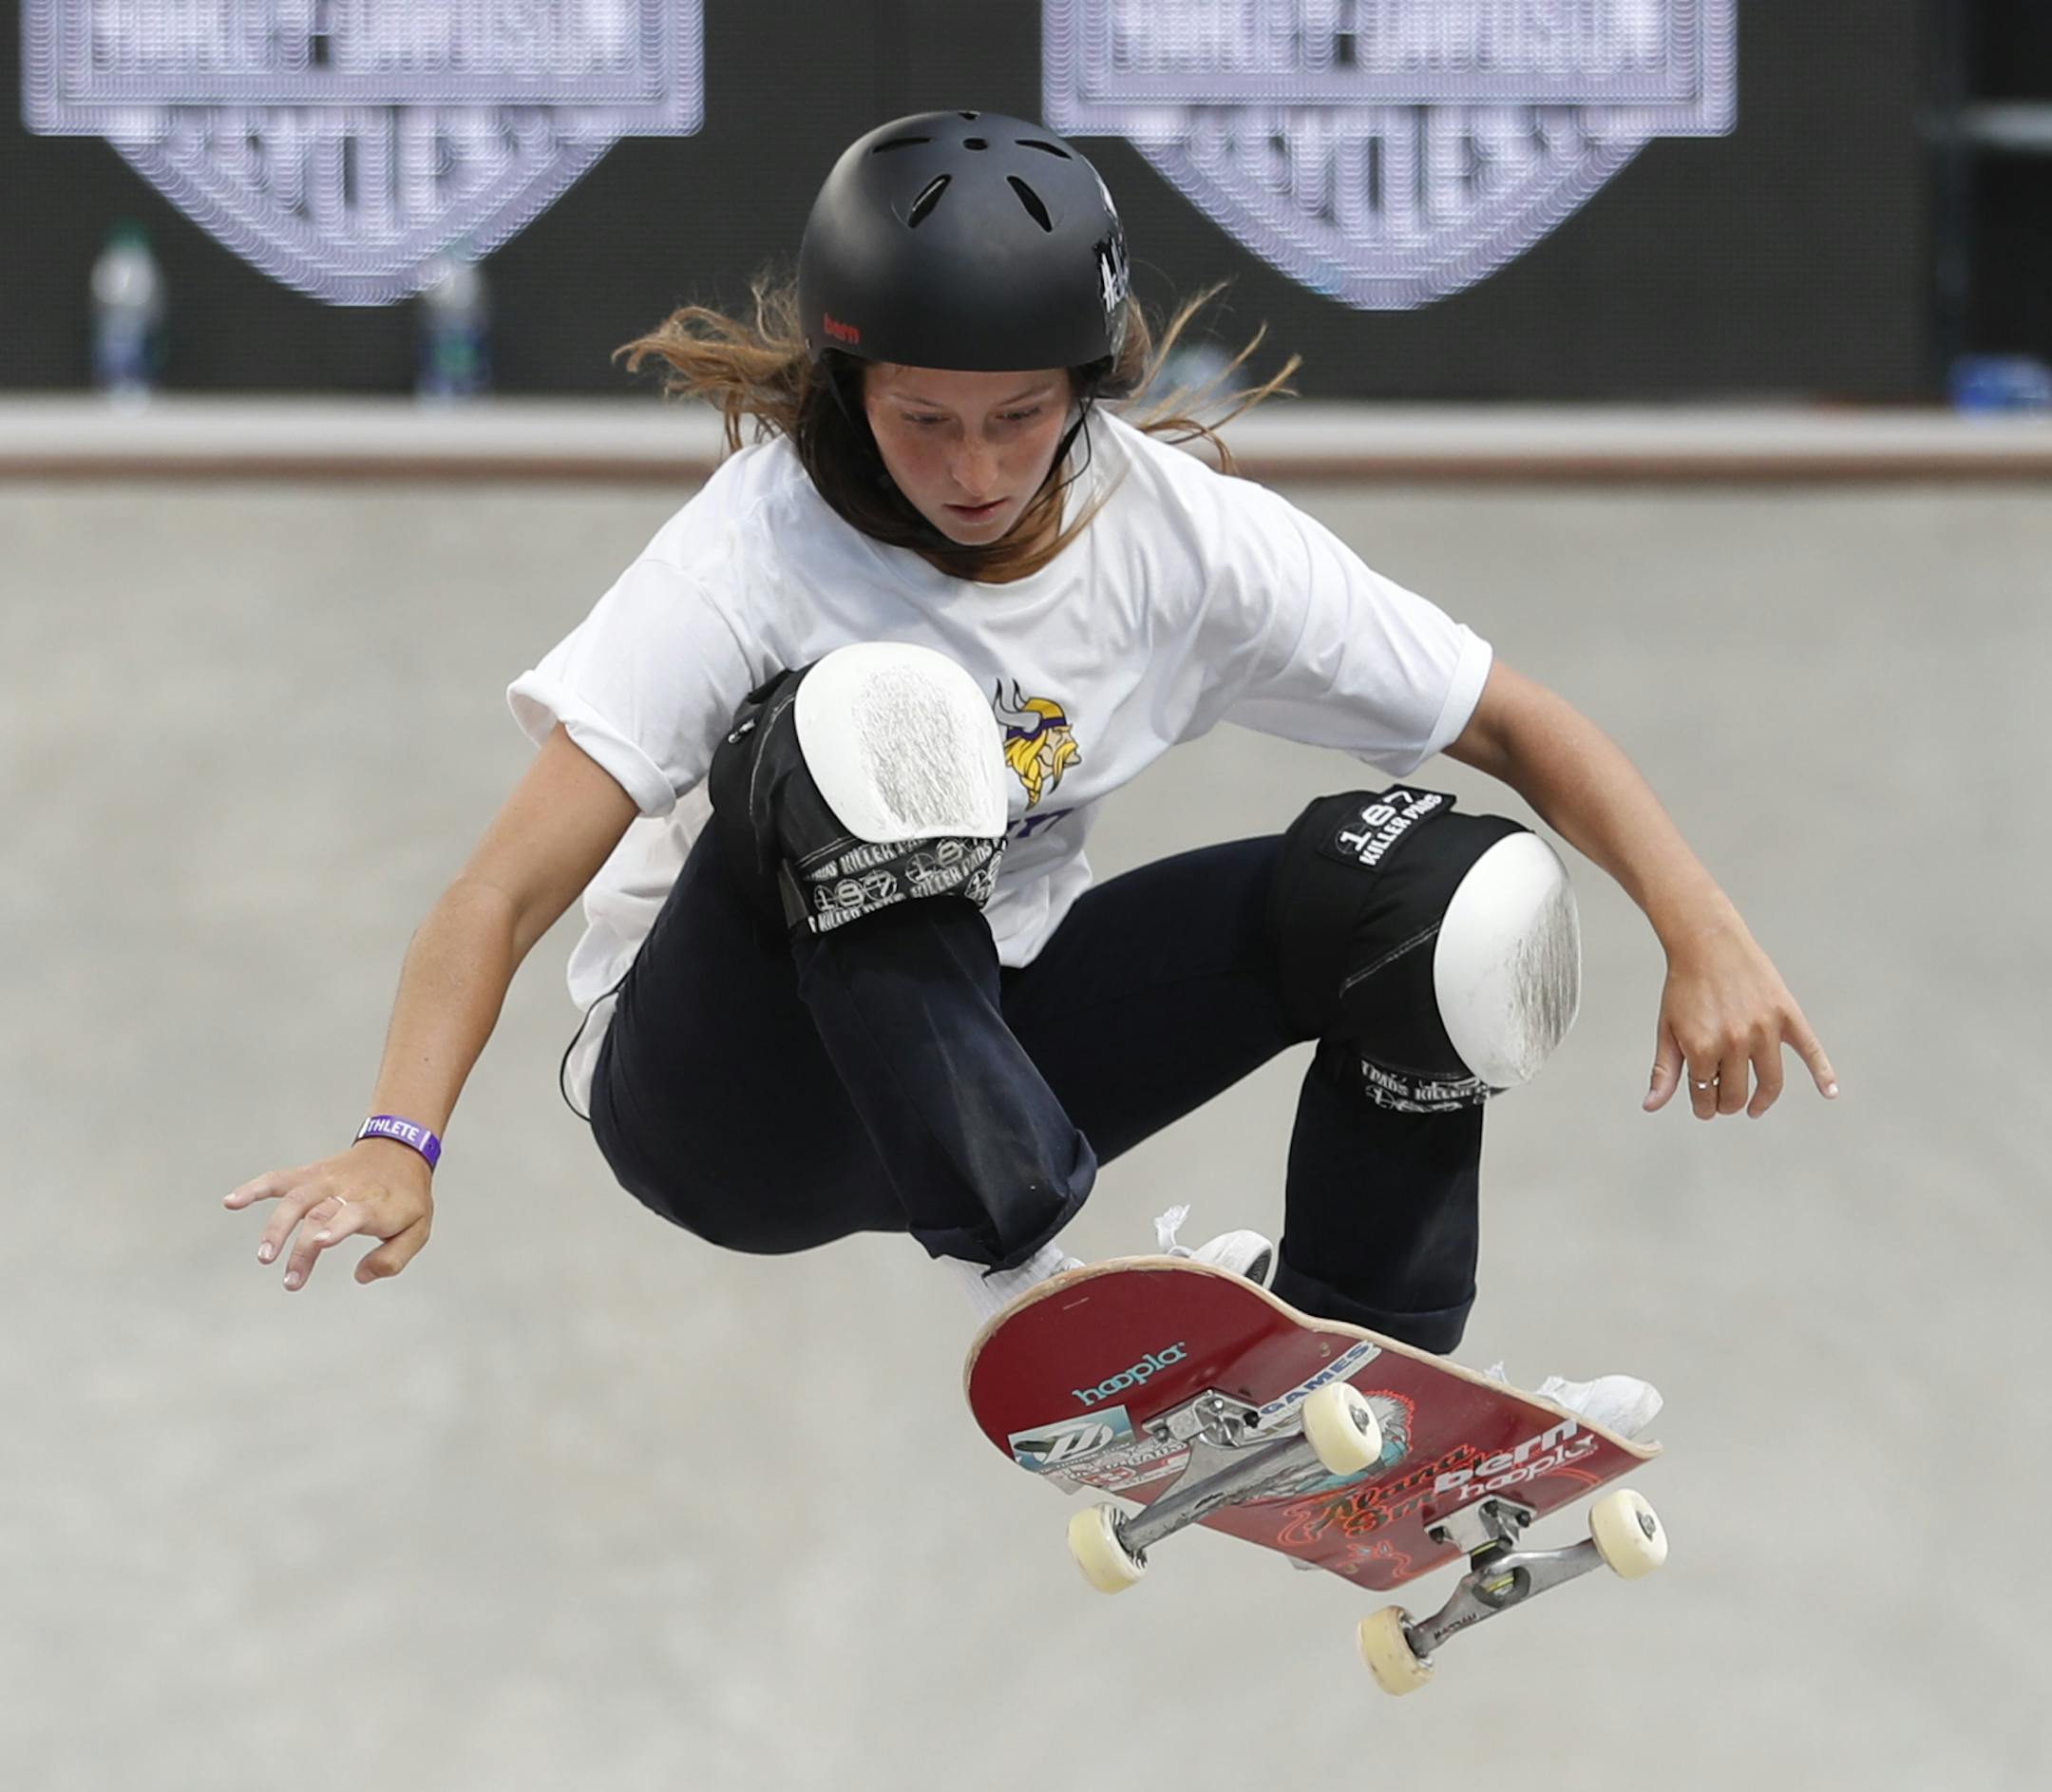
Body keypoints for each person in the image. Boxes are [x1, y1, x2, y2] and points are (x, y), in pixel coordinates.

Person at [224, 113, 1835, 1434]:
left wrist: (1702, 927)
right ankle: (1032, 1276)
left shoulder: (1182, 541)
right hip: (731, 1101)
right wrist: (399, 1135)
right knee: (863, 715)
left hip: (996, 1033)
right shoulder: (752, 552)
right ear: (852, 386)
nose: (976, 470)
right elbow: (502, 889)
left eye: (1019, 418)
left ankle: (1353, 1368)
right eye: (925, 420)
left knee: (1440, 887)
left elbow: (1511, 718)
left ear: (1086, 385)